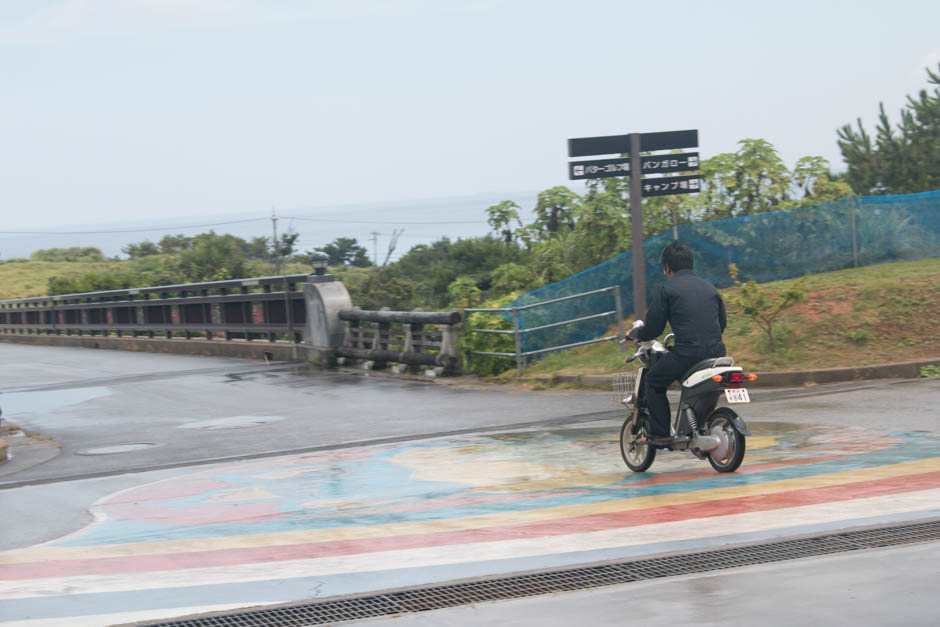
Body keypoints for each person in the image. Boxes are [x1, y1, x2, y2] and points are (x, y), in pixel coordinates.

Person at [627, 241, 727, 443]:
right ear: (690, 264)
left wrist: (636, 333)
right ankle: (697, 425)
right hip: (718, 353)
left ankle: (660, 433)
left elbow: (654, 328)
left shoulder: (666, 288)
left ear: (667, 268)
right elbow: (722, 323)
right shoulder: (710, 287)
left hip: (688, 353)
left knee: (653, 380)